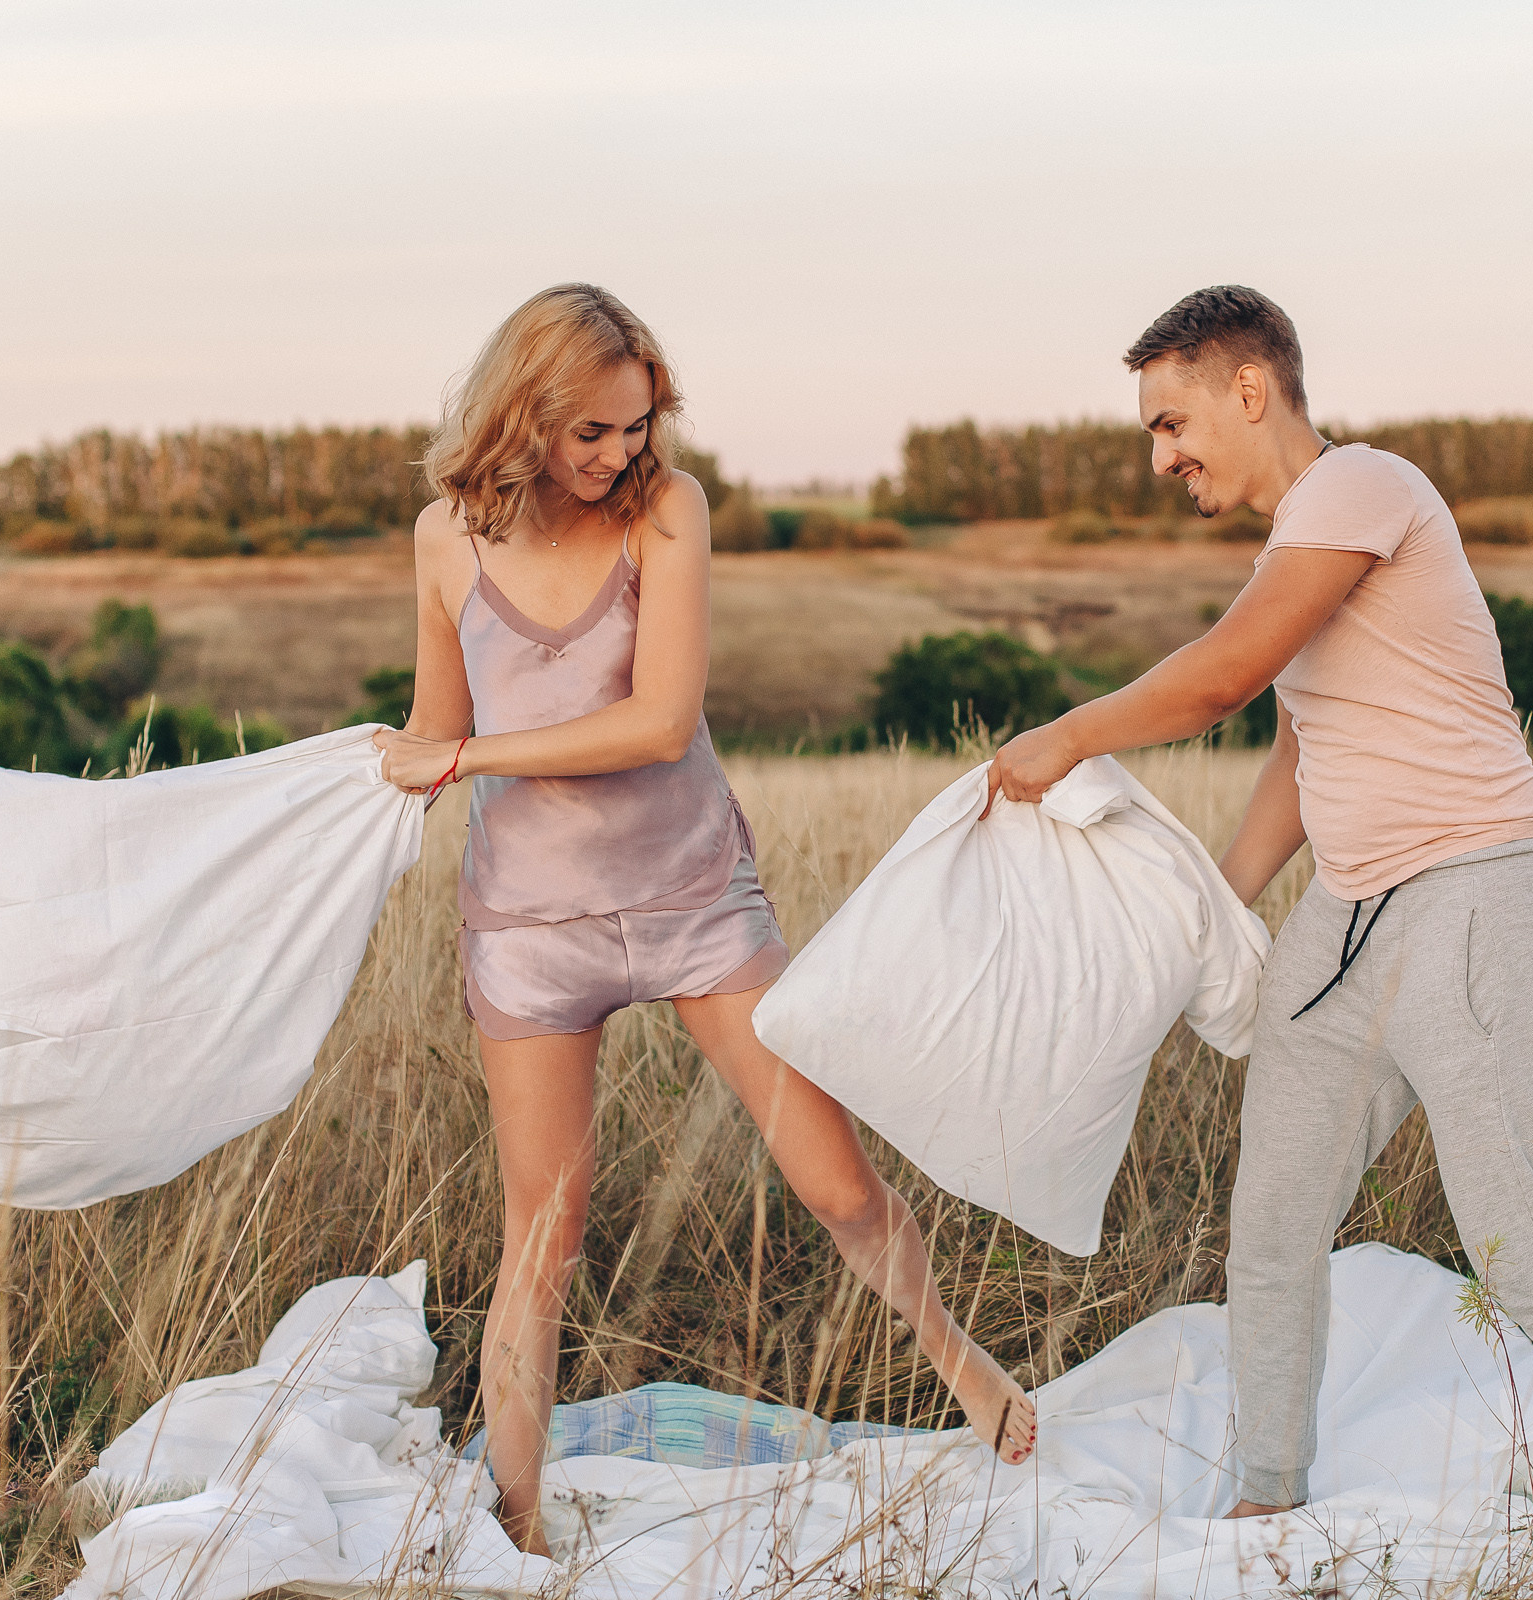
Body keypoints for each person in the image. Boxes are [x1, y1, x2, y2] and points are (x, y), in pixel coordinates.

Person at [986, 286, 1533, 1528]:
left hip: (1475, 891)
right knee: (1269, 1225)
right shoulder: (1298, 545)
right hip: (1350, 921)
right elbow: (1299, 753)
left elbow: (1221, 678)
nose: (1162, 458)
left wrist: (1064, 738)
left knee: (1516, 1235)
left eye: (1171, 423)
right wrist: (1209, 904)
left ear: (1248, 391)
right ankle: (1268, 1503)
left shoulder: (1363, 486)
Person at [373, 284, 1035, 1555]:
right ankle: (517, 1527)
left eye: (639, 425)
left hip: (690, 897)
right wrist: (387, 763)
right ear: (525, 412)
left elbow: (659, 722)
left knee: (832, 1179)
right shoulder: (443, 539)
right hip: (526, 927)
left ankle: (961, 1364)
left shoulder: (670, 513)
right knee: (543, 1224)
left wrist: (460, 762)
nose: (624, 453)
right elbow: (434, 720)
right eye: (595, 433)